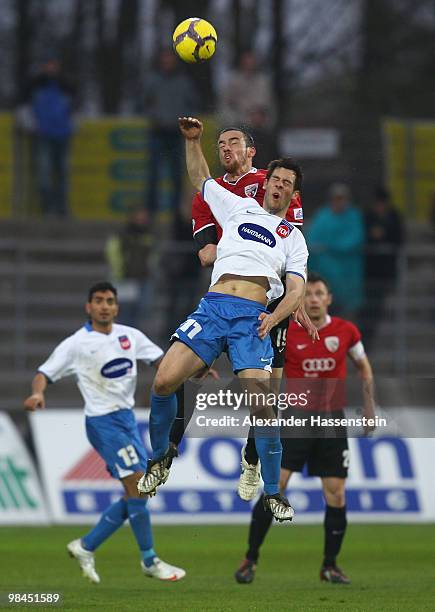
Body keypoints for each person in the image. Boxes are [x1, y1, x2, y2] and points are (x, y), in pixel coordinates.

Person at [137, 116, 318, 523]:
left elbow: (295, 291)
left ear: (293, 193)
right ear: (266, 182)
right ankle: (160, 457)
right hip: (213, 308)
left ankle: (273, 492)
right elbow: (200, 177)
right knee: (164, 380)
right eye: (276, 180)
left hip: (253, 318)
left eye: (287, 184)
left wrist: (274, 319)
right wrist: (193, 141)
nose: (279, 186)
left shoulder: (294, 238)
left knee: (264, 405)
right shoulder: (237, 206)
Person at [169, 126, 305, 497]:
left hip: (268, 299)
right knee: (190, 370)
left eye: (233, 142)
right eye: (220, 144)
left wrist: (295, 299)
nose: (225, 148)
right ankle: (168, 449)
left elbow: (289, 239)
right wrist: (207, 245)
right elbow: (203, 234)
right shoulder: (213, 191)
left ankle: (251, 458)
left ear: (251, 151)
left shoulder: (271, 183)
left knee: (267, 393)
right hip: (224, 292)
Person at [23, 281, 185, 584]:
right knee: (138, 486)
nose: (104, 306)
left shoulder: (130, 336)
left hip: (126, 420)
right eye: (98, 300)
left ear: (116, 306)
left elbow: (163, 362)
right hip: (102, 423)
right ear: (88, 307)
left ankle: (86, 546)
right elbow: (43, 373)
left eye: (110, 301)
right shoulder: (76, 343)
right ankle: (149, 559)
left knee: (138, 491)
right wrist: (37, 394)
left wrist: (193, 369)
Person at [235, 272, 376, 585]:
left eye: (318, 293)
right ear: (301, 299)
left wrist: (369, 407)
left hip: (331, 421)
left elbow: (363, 367)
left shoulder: (346, 331)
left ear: (328, 299)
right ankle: (250, 558)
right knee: (276, 488)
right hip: (296, 418)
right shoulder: (288, 329)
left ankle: (330, 565)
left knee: (336, 493)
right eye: (308, 293)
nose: (312, 298)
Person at [143, 49, 199, 217]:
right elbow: (143, 102)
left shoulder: (184, 82)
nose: (167, 62)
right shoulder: (152, 80)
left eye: (170, 59)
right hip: (157, 131)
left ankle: (176, 213)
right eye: (164, 59)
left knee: (177, 175)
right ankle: (151, 212)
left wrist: (184, 121)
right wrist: (154, 117)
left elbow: (193, 103)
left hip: (177, 134)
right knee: (153, 174)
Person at [24, 56, 75, 217]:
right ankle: (47, 208)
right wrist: (31, 123)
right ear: (44, 66)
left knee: (63, 173)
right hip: (43, 134)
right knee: (44, 172)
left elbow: (75, 106)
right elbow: (24, 104)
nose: (51, 68)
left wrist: (72, 123)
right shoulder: (35, 83)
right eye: (49, 65)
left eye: (54, 65)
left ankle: (62, 208)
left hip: (63, 134)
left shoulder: (66, 84)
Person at [307, 183, 365, 320]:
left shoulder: (353, 216)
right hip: (324, 277)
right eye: (336, 198)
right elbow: (312, 241)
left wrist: (328, 246)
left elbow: (354, 240)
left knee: (348, 316)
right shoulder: (323, 216)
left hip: (348, 278)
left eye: (341, 198)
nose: (338, 201)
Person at [364, 186, 404, 348]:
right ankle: (368, 339)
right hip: (371, 270)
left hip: (387, 270)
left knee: (380, 304)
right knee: (371, 304)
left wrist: (383, 234)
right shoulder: (368, 216)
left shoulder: (394, 216)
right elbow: (364, 236)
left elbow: (400, 238)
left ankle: (374, 339)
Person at [105, 209, 154, 328]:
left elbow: (153, 255)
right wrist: (120, 271)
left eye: (143, 218)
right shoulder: (122, 235)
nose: (141, 221)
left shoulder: (148, 235)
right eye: (139, 217)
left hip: (143, 277)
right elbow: (113, 253)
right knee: (125, 313)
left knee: (141, 311)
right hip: (126, 279)